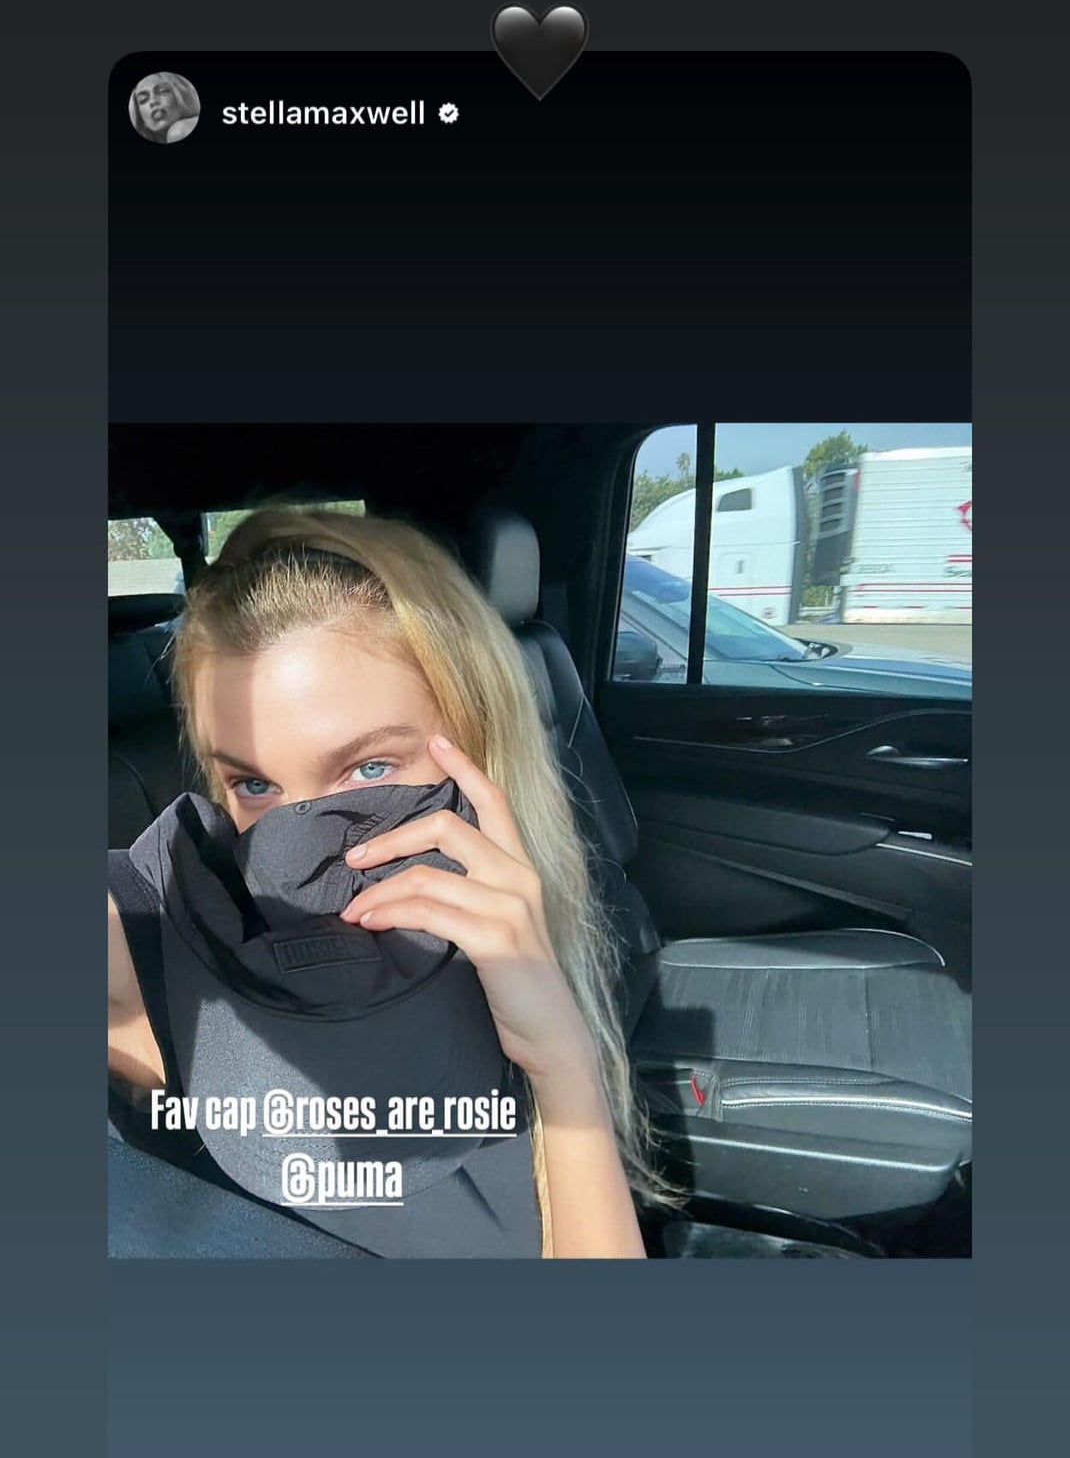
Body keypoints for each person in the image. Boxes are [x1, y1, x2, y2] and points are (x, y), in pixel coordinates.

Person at [108, 507, 665, 1257]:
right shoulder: (154, 927)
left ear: (478, 746)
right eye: (254, 785)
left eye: (369, 769)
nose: (302, 852)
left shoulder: (524, 928)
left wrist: (563, 1059)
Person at [129, 72, 201, 144]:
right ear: (142, 120)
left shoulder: (180, 129)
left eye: (162, 91)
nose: (153, 101)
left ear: (183, 96)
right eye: (143, 99)